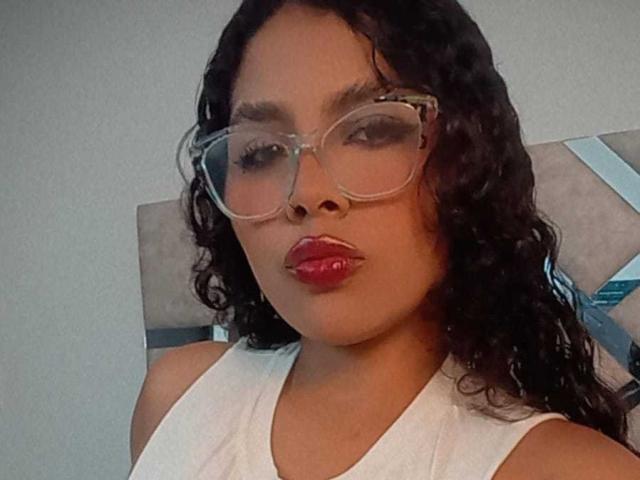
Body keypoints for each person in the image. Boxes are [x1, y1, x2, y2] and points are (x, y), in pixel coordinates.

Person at [128, 1, 640, 478]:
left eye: (371, 132)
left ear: (466, 161)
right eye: (260, 152)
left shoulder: (573, 470)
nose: (307, 193)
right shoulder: (178, 401)